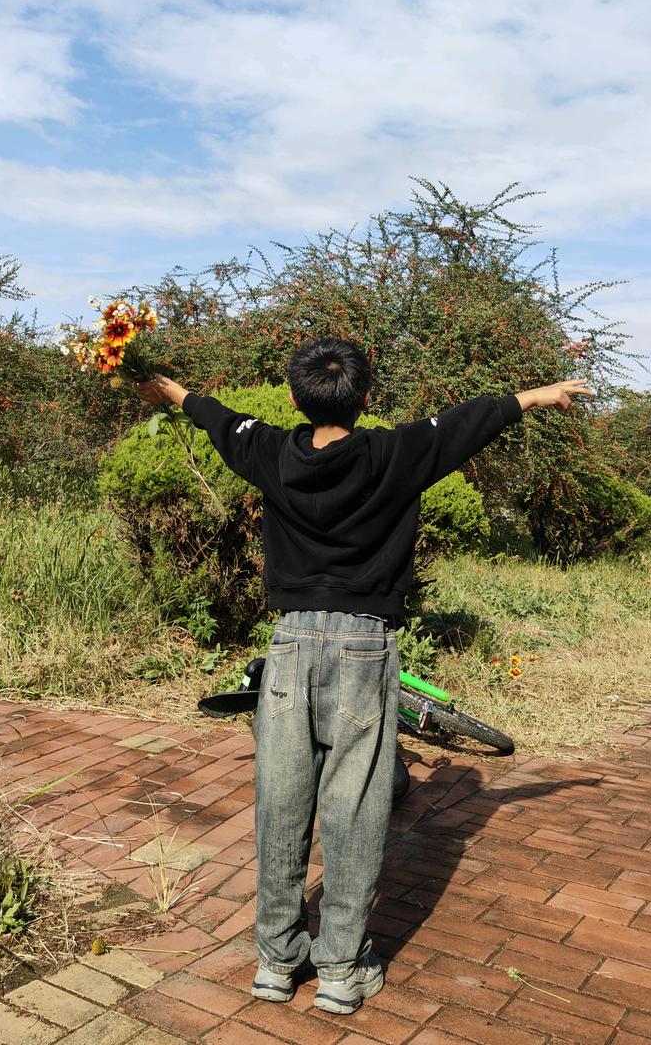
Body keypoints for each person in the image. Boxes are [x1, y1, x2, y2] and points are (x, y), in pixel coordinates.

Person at [135, 339, 591, 1014]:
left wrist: (164, 388)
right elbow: (467, 422)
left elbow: (218, 418)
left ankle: (275, 962)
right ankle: (343, 970)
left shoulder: (268, 451)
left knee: (281, 804)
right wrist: (537, 396)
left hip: (289, 649)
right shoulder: (395, 454)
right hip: (363, 649)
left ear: (293, 399)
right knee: (354, 808)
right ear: (367, 397)